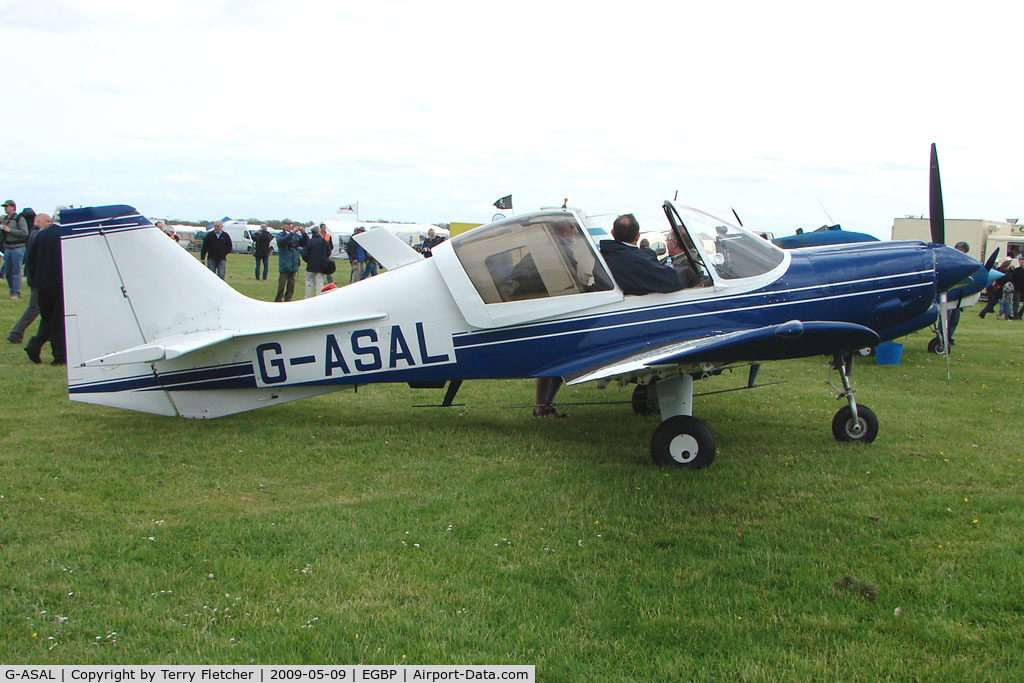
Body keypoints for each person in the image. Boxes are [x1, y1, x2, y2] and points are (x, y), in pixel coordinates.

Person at [599, 214, 686, 295]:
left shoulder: (602, 256)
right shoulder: (637, 261)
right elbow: (675, 281)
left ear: (612, 233)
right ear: (637, 236)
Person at [23, 213, 65, 365]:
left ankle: (34, 345)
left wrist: (34, 279)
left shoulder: (41, 235)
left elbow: (30, 259)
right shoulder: (64, 235)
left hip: (42, 284)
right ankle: (60, 355)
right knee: (59, 321)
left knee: (47, 319)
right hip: (59, 284)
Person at [7, 212, 47, 344]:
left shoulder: (34, 235)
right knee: (34, 308)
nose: (49, 224)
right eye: (47, 221)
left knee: (43, 309)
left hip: (35, 277)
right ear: (38, 222)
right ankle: (16, 333)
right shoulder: (37, 236)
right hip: (37, 279)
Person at [2, 199, 30, 299]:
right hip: (8, 248)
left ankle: (16, 292)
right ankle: (12, 291)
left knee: (16, 271)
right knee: (8, 272)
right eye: (4, 207)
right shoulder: (4, 219)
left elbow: (24, 233)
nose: (5, 208)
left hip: (18, 247)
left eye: (7, 206)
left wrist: (10, 230)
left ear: (13, 207)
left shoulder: (19, 219)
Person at [274, 220, 302, 302]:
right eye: (287, 224)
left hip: (293, 262)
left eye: (290, 224)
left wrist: (303, 233)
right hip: (285, 262)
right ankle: (279, 298)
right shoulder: (280, 235)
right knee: (282, 283)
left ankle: (288, 298)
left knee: (291, 283)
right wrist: (291, 233)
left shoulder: (295, 236)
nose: (289, 226)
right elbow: (283, 242)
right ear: (283, 225)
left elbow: (304, 242)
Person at [303, 225, 333, 298]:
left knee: (309, 282)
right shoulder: (323, 242)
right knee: (319, 282)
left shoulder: (309, 242)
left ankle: (308, 297)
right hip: (321, 265)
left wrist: (308, 260)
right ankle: (319, 297)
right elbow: (329, 252)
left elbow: (304, 253)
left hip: (311, 265)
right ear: (319, 232)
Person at [1011, 255, 1024, 319]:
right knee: (1016, 303)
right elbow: (1012, 279)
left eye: (1022, 262)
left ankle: (1020, 314)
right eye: (1020, 262)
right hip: (1018, 289)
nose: (1021, 264)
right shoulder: (1016, 270)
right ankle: (1015, 316)